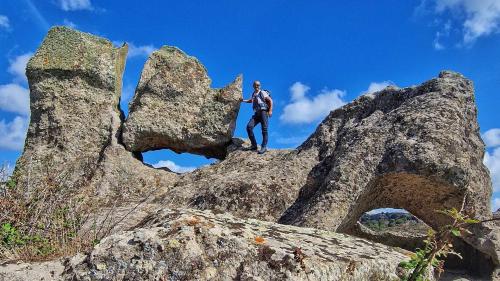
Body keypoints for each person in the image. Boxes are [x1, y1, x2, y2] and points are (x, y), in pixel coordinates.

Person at [241, 80, 273, 154]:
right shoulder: (254, 94)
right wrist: (243, 100)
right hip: (256, 114)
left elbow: (270, 101)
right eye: (255, 85)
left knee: (264, 130)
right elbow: (251, 100)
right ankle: (254, 145)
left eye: (258, 85)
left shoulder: (263, 92)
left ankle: (263, 147)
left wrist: (270, 110)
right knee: (249, 127)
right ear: (253, 86)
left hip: (263, 112)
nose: (256, 86)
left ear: (260, 86)